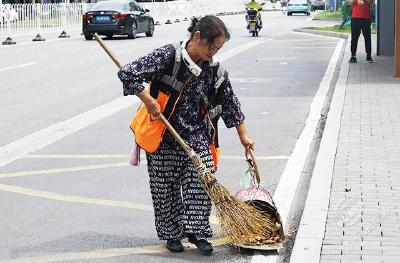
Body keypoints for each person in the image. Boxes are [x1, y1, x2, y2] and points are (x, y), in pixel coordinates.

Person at [117, 16, 255, 255]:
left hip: (197, 133)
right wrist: (148, 101)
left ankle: (197, 230)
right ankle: (172, 233)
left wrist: (244, 137)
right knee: (165, 186)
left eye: (218, 48)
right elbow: (128, 73)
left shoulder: (214, 70)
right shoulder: (168, 56)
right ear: (198, 37)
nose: (214, 53)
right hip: (163, 132)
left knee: (202, 179)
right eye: (212, 47)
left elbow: (231, 103)